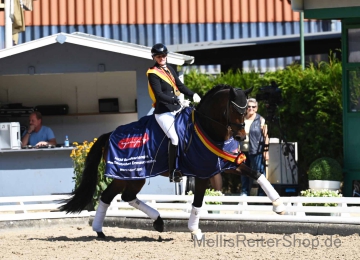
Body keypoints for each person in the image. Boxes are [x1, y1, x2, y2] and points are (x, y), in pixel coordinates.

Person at [147, 43, 201, 182]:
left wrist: (193, 94)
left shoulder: (169, 69)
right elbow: (159, 95)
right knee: (175, 138)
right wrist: (177, 101)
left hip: (175, 110)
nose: (162, 58)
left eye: (164, 55)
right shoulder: (153, 73)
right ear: (154, 57)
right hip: (163, 112)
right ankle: (173, 171)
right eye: (159, 56)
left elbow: (180, 86)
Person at [240, 98, 269, 196]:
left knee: (259, 172)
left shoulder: (260, 119)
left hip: (256, 150)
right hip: (242, 150)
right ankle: (244, 192)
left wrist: (266, 151)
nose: (251, 108)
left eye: (253, 107)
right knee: (243, 172)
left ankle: (262, 193)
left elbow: (266, 136)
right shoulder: (241, 118)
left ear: (256, 108)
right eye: (249, 106)